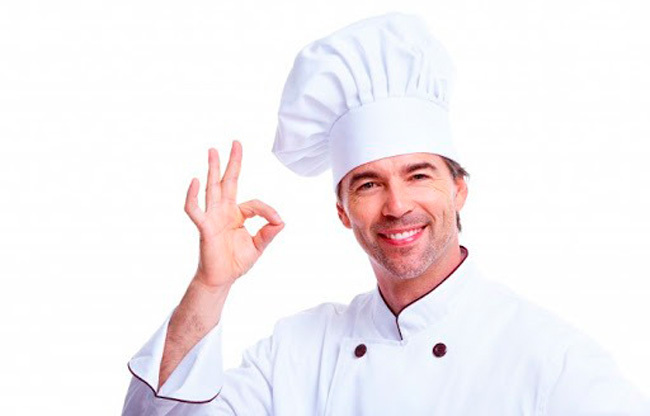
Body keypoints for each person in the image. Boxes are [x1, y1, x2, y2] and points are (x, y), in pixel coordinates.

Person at [122, 13, 649, 415]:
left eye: (418, 175)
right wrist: (210, 285)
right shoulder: (298, 351)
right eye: (369, 184)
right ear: (342, 210)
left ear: (459, 190)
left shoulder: (550, 358)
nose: (397, 206)